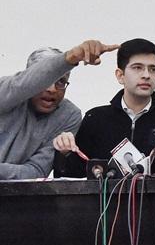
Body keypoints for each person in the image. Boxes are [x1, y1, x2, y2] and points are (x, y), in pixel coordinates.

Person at [53, 38, 155, 177]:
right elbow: (72, 176)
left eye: (153, 69)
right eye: (137, 68)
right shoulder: (95, 119)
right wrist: (64, 153)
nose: (146, 75)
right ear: (120, 75)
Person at [0, 41, 118, 179]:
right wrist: (72, 56)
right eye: (44, 82)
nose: (51, 89)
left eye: (60, 81)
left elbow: (35, 172)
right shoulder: (6, 91)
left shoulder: (69, 115)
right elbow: (23, 84)